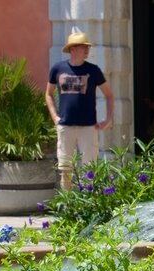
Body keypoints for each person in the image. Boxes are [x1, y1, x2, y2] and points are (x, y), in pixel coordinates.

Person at [45, 29, 114, 192]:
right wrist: (55, 117)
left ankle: (88, 204)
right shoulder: (58, 68)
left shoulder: (93, 70)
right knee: (65, 169)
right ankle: (68, 206)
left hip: (88, 127)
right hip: (66, 126)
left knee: (90, 169)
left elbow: (109, 95)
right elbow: (48, 94)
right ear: (73, 49)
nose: (87, 50)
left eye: (87, 47)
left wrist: (108, 119)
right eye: (84, 47)